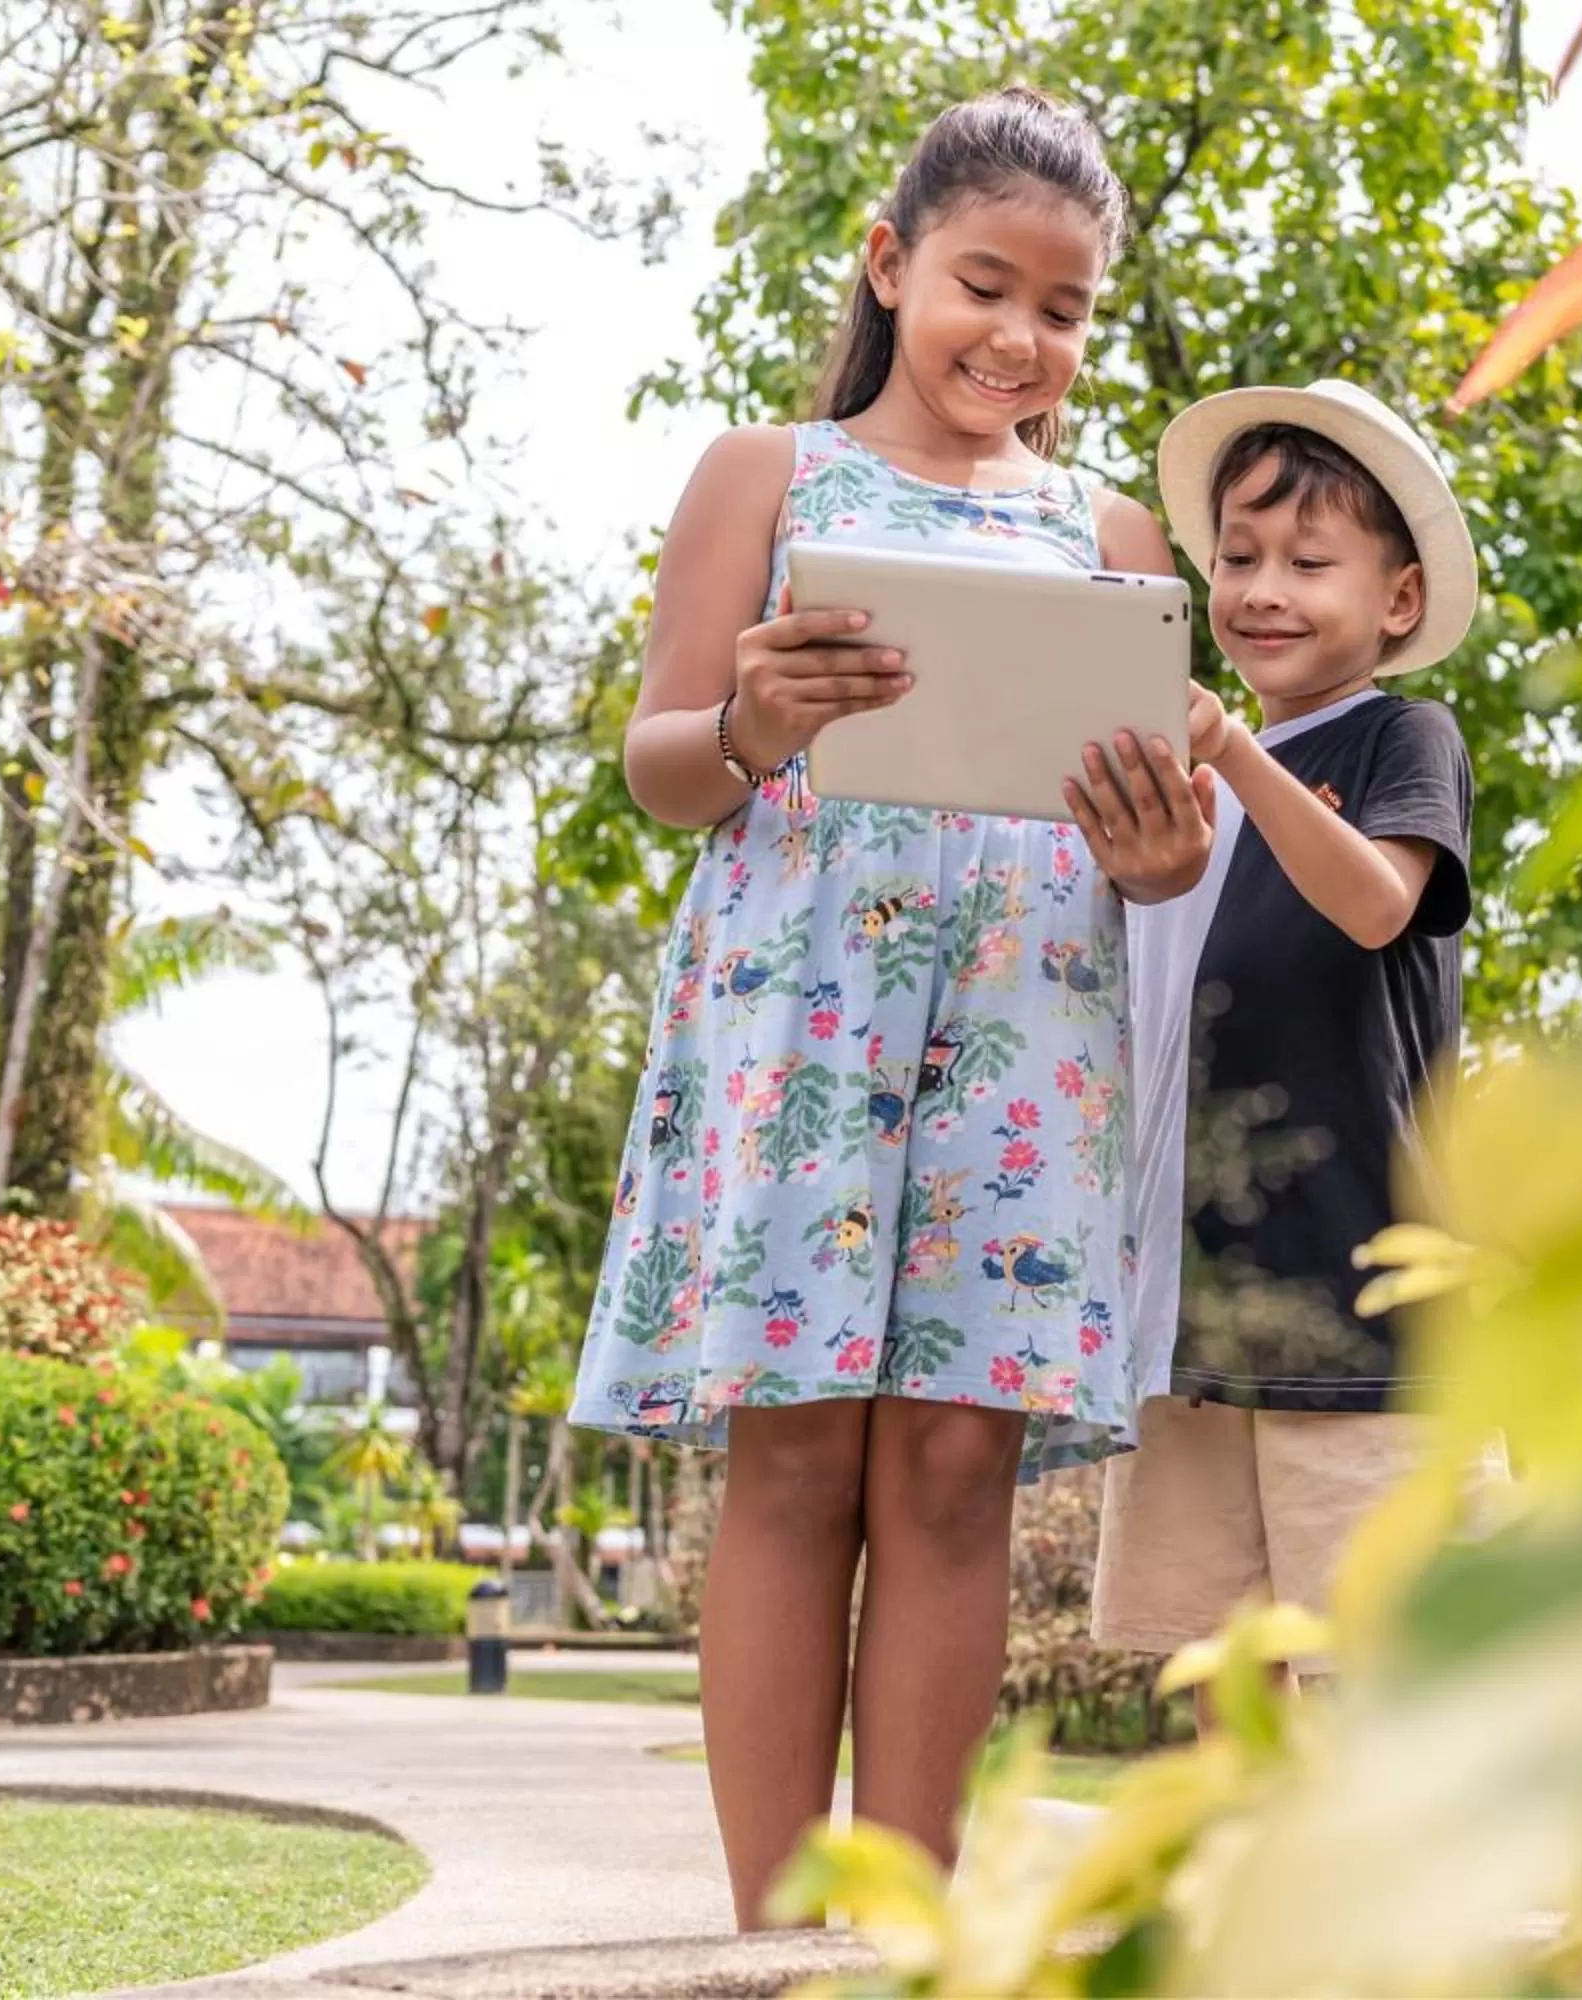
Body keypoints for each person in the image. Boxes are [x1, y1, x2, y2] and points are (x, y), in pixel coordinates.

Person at [569, 86, 1210, 1926]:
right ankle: (773, 1942)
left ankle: (905, 1938)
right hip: (801, 1015)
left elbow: (1155, 863)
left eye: (1064, 310)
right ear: (890, 262)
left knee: (950, 1465)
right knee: (794, 1448)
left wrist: (1161, 854)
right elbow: (664, 770)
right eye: (983, 286)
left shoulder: (1113, 533)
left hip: (1029, 1025)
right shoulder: (763, 475)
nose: (1020, 339)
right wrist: (756, 724)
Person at [1093, 379, 1479, 1704]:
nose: (1262, 589)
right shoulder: (1188, 789)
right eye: (1238, 559)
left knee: (1376, 1668)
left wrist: (1242, 760)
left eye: (1309, 562)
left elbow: (1380, 900)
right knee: (1226, 1668)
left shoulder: (1400, 737)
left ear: (1399, 601)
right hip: (1200, 1315)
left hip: (1357, 1303)